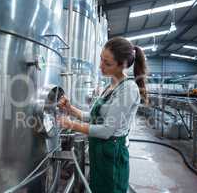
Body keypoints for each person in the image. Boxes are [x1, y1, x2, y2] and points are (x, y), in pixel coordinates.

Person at [57, 36, 148, 193]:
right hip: (99, 151)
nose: (100, 66)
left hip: (112, 153)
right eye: (101, 59)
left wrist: (71, 125)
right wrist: (70, 109)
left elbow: (106, 131)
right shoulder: (110, 86)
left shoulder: (128, 89)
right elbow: (92, 117)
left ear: (122, 65)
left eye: (107, 63)